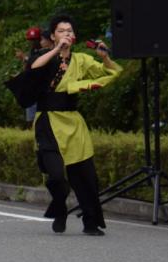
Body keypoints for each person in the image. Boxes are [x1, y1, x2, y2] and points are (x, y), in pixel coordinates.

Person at [26, 14, 122, 235]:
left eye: (69, 30)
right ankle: (60, 208)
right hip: (48, 121)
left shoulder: (81, 60)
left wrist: (104, 57)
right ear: (52, 35)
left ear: (75, 35)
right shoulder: (44, 56)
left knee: (86, 177)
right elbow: (33, 69)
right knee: (57, 176)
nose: (66, 34)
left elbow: (112, 72)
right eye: (61, 30)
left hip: (73, 121)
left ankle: (91, 223)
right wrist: (56, 49)